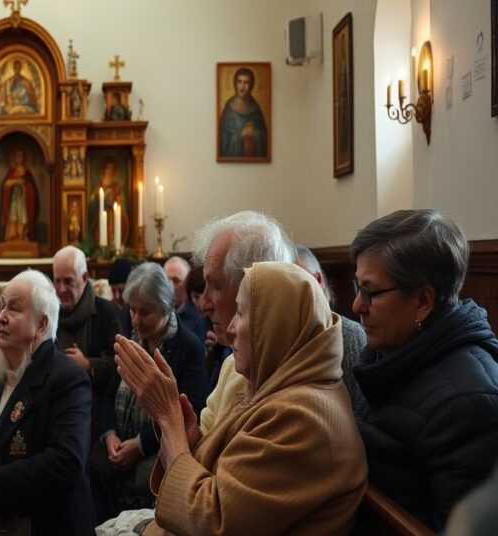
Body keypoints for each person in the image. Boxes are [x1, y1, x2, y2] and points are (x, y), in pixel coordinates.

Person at [115, 262, 367, 534]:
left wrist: (169, 419)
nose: (231, 327)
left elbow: (210, 521)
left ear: (275, 325)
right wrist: (190, 444)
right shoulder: (278, 390)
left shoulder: (305, 418)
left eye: (243, 314)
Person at [349, 209, 498, 529]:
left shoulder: (469, 404)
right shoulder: (389, 349)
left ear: (422, 302)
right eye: (356, 287)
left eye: (370, 292)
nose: (356, 306)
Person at [0, 270, 94, 535]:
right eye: (2, 306)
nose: (0, 316)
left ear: (41, 325)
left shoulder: (68, 379)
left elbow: (66, 461)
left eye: (13, 308)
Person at [93, 263, 206, 522]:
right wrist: (110, 436)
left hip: (156, 471)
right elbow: (110, 396)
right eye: (132, 310)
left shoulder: (188, 347)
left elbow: (191, 408)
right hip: (118, 470)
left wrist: (140, 445)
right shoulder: (131, 342)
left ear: (166, 307)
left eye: (145, 312)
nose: (135, 320)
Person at [190, 211, 295, 435]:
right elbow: (203, 443)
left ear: (254, 291)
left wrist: (169, 418)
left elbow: (220, 470)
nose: (203, 304)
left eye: (215, 286)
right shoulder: (232, 365)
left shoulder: (296, 399)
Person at [294, 245, 367, 414]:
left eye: (299, 284)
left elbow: (356, 411)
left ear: (318, 280)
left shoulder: (348, 334)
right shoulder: (283, 337)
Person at [52, 246, 122, 390]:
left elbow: (120, 363)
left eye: (68, 281)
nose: (61, 289)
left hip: (96, 402)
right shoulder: (47, 314)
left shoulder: (106, 312)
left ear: (84, 278)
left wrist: (88, 365)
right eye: (57, 281)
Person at [219, 67, 268, 158]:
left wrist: (254, 133)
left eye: (246, 83)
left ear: (252, 85)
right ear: (235, 83)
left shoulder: (256, 109)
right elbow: (223, 137)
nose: (242, 87)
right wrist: (241, 134)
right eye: (239, 82)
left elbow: (264, 138)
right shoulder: (229, 108)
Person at [163, 256, 206, 347]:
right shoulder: (155, 313)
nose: (170, 286)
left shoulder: (198, 317)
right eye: (166, 280)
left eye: (176, 281)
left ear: (187, 285)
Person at [0, 146, 39, 241]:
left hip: (23, 200)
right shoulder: (11, 172)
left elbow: (32, 189)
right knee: (13, 216)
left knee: (22, 216)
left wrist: (25, 186)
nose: (18, 158)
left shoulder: (27, 173)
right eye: (16, 156)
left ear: (24, 158)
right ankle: (12, 235)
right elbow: (6, 185)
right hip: (13, 199)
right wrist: (13, 183)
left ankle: (22, 234)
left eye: (20, 156)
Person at [107, 258, 133, 336]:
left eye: (121, 290)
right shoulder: (108, 310)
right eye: (113, 290)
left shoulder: (137, 310)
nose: (117, 296)